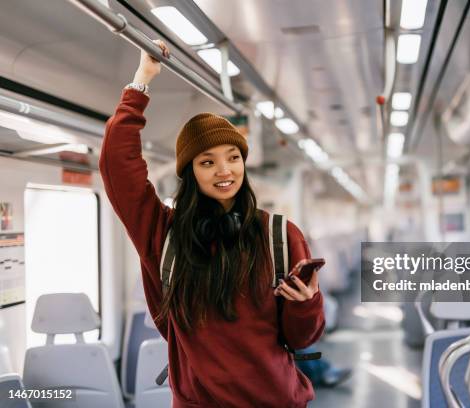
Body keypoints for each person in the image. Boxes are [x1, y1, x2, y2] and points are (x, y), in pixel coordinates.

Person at [100, 40, 325, 408]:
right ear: (190, 172)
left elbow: (302, 339)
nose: (224, 170)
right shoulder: (164, 234)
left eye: (233, 157)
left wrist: (306, 304)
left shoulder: (279, 236)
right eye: (207, 162)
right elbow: (116, 165)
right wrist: (141, 81)